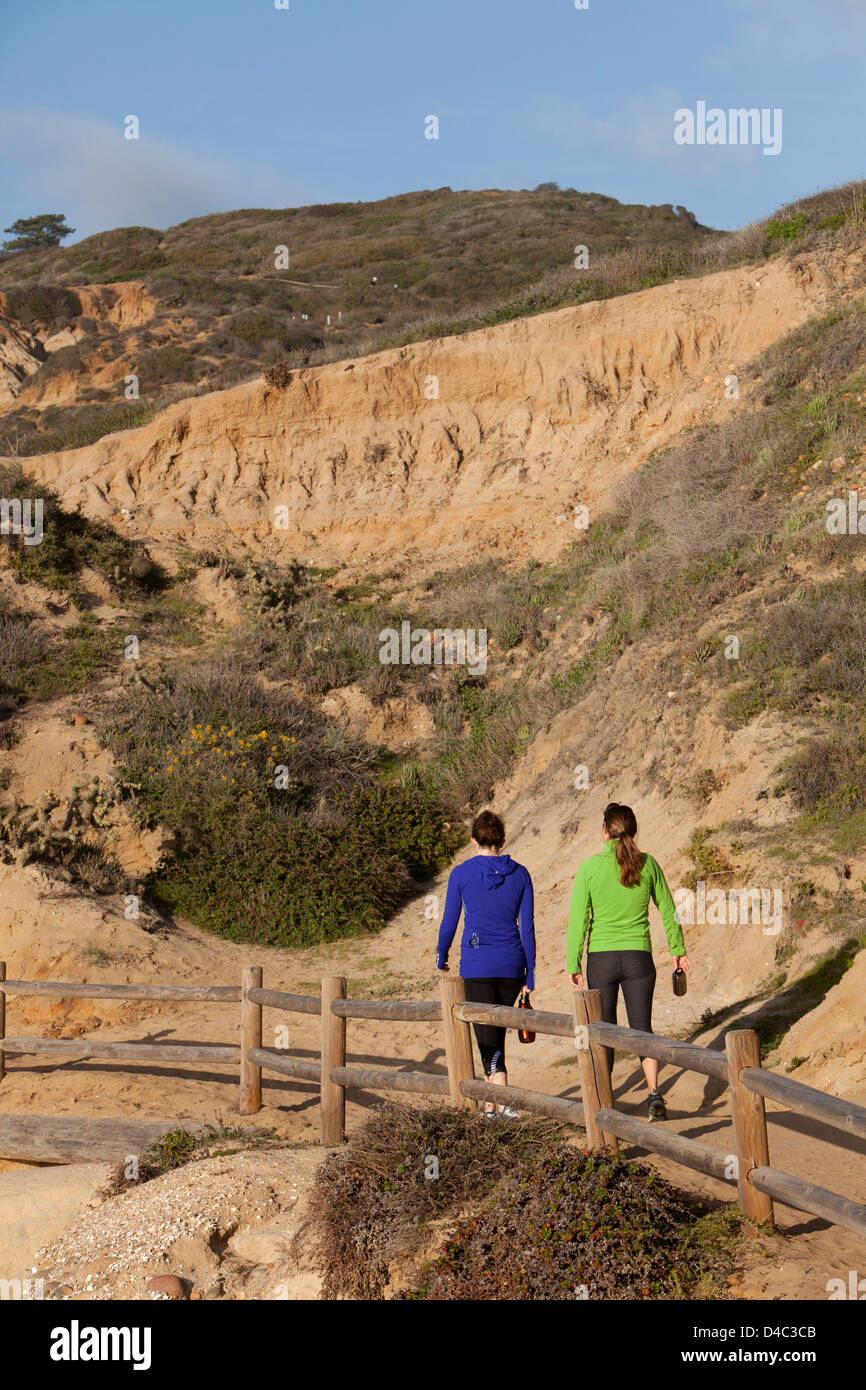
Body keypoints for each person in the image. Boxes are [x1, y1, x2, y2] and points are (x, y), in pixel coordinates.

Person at [567, 802, 692, 1122]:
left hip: (601, 959)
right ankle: (654, 1095)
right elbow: (668, 909)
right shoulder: (647, 864)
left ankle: (605, 1101)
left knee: (603, 1031)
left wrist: (573, 964)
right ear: (633, 830)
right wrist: (677, 948)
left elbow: (578, 921)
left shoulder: (589, 868)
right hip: (639, 958)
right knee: (641, 1028)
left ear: (605, 830)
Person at [436, 810, 535, 1118]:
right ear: (502, 840)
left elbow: (450, 920)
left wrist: (442, 954)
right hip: (511, 963)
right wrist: (530, 972)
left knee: (486, 1039)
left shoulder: (461, 874)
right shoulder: (520, 874)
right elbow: (527, 927)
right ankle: (493, 1104)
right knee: (495, 1036)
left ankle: (502, 1101)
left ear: (473, 840)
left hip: (477, 964)